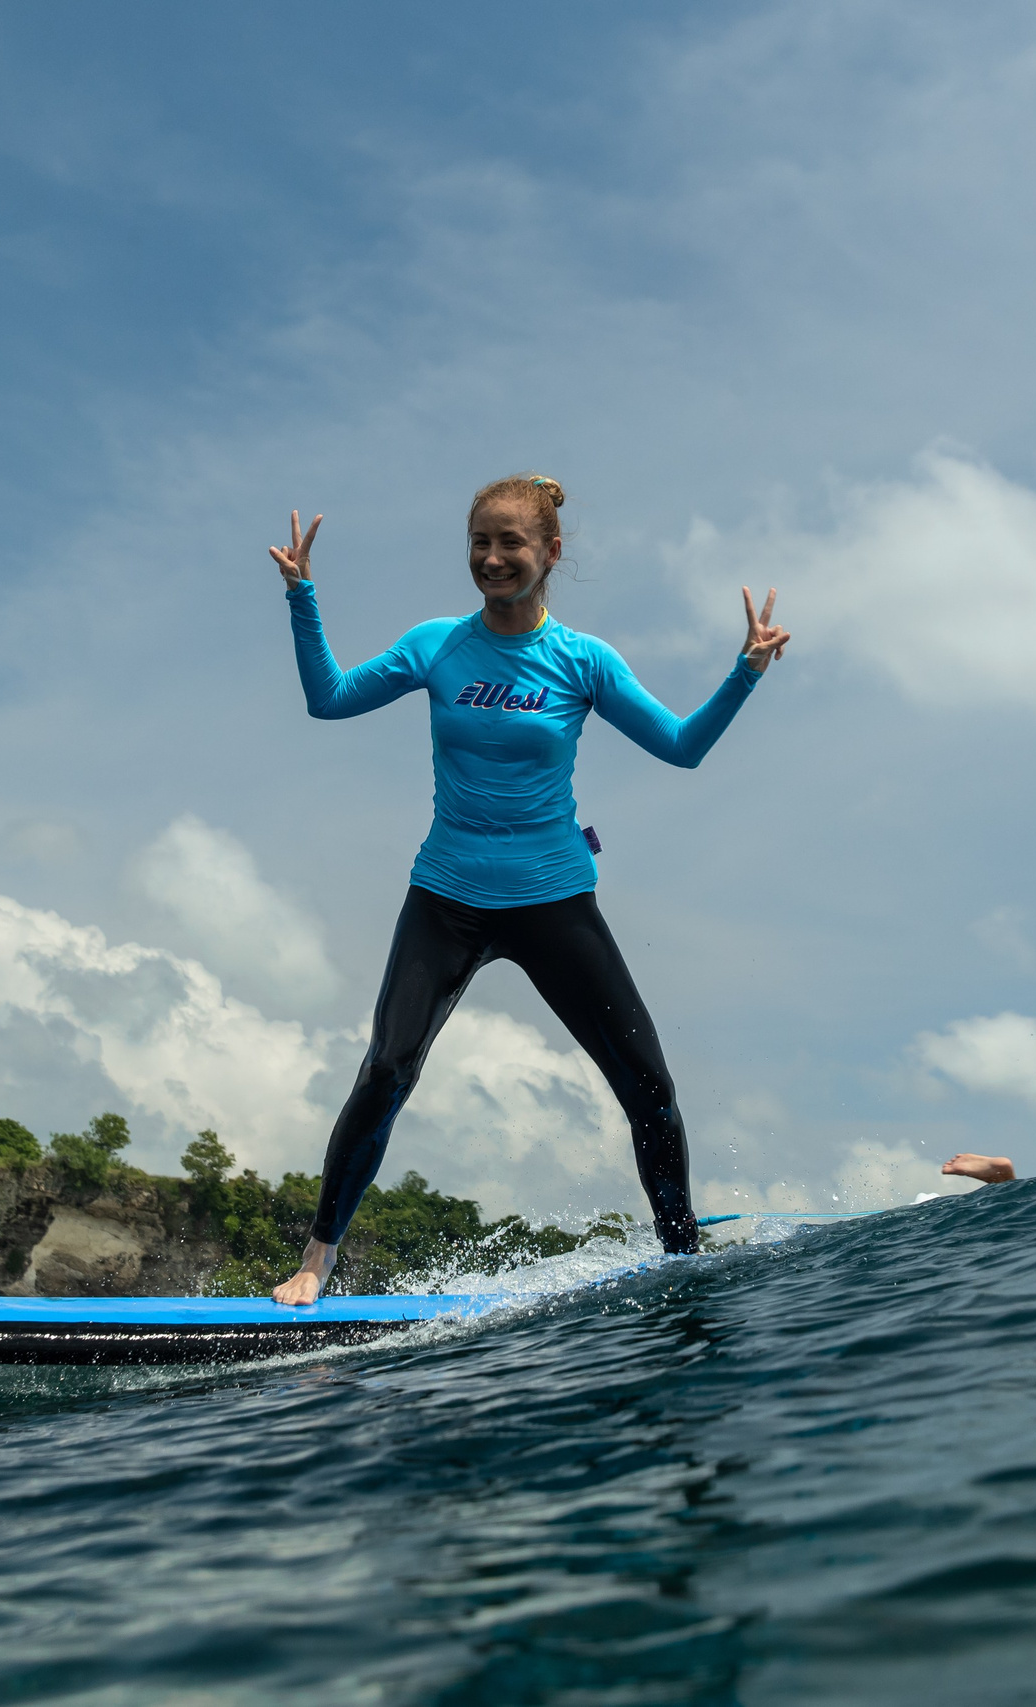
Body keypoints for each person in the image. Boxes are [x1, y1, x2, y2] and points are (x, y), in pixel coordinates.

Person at [265, 474, 790, 1305]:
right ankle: (317, 1260)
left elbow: (681, 747)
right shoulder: (437, 645)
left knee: (648, 1084)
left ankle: (682, 1252)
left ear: (550, 552)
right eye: (480, 540)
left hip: (552, 897)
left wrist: (746, 672)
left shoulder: (582, 660)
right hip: (447, 894)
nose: (492, 557)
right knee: (388, 1067)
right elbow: (327, 700)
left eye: (511, 542)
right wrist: (303, 596)